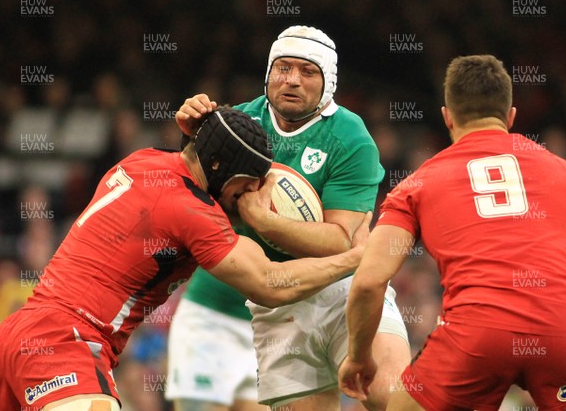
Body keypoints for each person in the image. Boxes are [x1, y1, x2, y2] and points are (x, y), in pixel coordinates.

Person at [0, 107, 369, 411]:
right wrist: (354, 258)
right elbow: (270, 283)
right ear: (221, 170)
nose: (249, 196)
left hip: (15, 336)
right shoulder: (189, 210)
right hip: (66, 342)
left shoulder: (146, 160)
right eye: (247, 185)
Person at [168, 25, 410, 411]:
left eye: (307, 71)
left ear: (328, 82)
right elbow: (185, 192)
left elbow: (341, 241)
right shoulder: (234, 125)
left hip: (343, 289)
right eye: (282, 68)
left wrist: (264, 222)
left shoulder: (351, 138)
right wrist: (190, 141)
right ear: (268, 73)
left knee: (396, 400)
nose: (292, 80)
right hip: (274, 306)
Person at [339, 54, 566, 410]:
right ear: (511, 116)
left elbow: (367, 282)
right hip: (565, 331)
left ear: (447, 117)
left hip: (476, 336)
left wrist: (358, 356)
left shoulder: (416, 185)